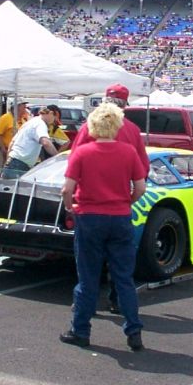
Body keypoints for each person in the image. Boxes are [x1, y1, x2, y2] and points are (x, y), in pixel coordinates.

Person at [59, 102, 147, 351]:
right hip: (119, 216)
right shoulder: (129, 152)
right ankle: (134, 330)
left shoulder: (82, 152)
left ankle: (81, 330)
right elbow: (140, 188)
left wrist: (70, 207)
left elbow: (67, 188)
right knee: (124, 278)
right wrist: (125, 202)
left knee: (88, 278)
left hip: (90, 216)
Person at [70, 83, 149, 313]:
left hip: (89, 203)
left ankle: (85, 308)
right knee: (121, 263)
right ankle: (118, 303)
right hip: (120, 204)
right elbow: (142, 172)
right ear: (125, 104)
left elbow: (74, 162)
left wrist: (70, 201)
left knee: (87, 264)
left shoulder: (89, 127)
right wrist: (130, 199)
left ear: (104, 101)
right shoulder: (133, 130)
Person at [1, 107, 58, 178]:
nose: (54, 121)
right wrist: (57, 156)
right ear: (51, 113)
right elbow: (45, 142)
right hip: (20, 164)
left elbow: (12, 143)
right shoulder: (40, 124)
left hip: (12, 161)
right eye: (55, 118)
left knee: (8, 187)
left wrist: (8, 161)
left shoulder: (30, 122)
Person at [0, 101, 30, 171]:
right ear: (17, 107)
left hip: (18, 153)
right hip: (7, 152)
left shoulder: (23, 119)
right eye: (23, 106)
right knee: (5, 172)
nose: (25, 108)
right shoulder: (6, 118)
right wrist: (3, 150)